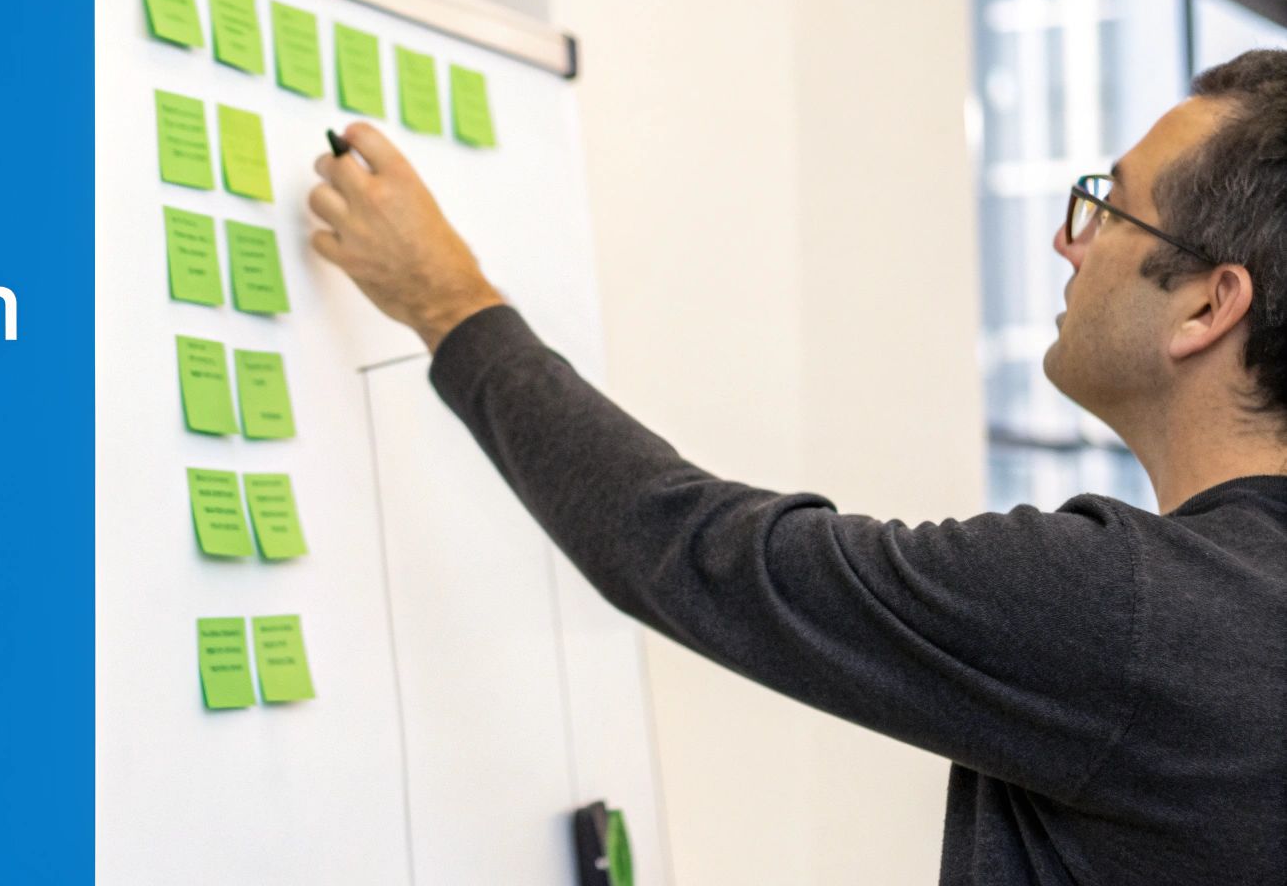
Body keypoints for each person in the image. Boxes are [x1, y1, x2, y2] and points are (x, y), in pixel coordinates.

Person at [305, 49, 1287, 885]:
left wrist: (446, 301)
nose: (1066, 244)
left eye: (1105, 208)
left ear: (1207, 306)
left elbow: (687, 547)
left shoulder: (1131, 611)